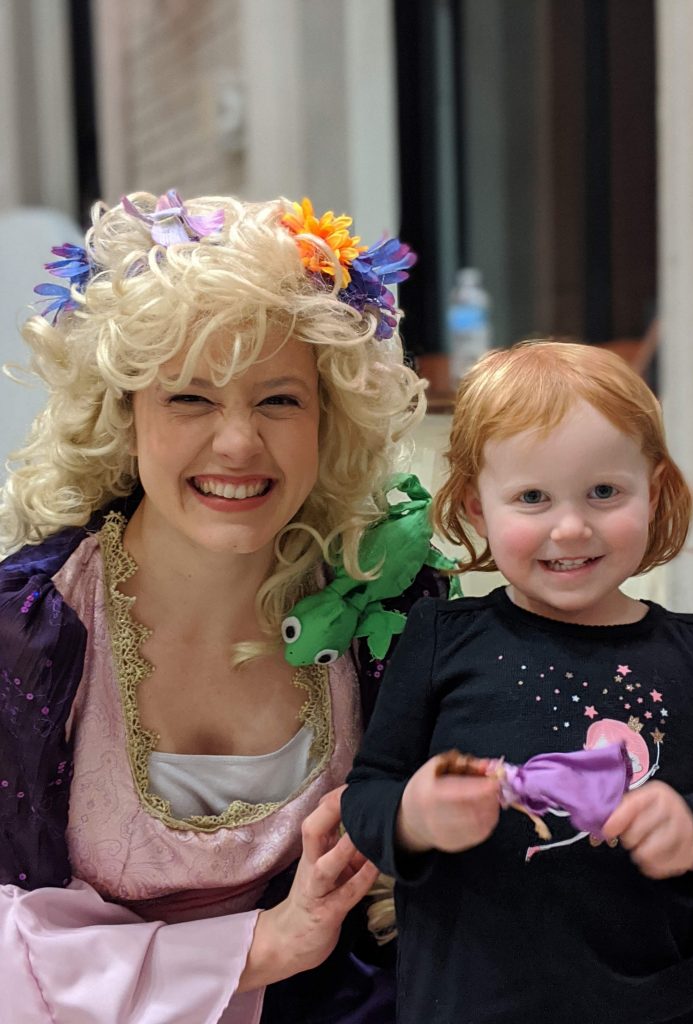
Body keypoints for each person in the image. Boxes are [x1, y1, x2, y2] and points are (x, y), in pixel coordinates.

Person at [0, 189, 447, 1023]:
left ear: (330, 419)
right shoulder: (29, 630)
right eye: (190, 398)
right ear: (125, 413)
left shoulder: (389, 605)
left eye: (279, 399)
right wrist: (262, 948)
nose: (238, 442)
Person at [342, 339, 693, 1024]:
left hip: (661, 1003)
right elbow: (365, 798)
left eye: (604, 491)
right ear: (477, 508)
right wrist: (412, 816)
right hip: (467, 1003)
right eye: (532, 497)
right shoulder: (438, 637)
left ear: (652, 493)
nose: (570, 527)